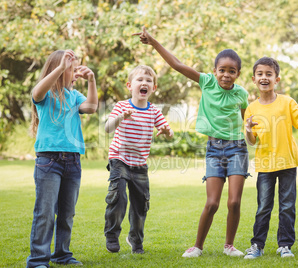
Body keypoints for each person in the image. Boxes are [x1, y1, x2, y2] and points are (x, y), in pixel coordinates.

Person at [134, 26, 250, 257]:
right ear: (214, 71)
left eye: (232, 71)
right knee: (212, 203)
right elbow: (177, 65)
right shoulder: (206, 82)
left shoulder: (242, 94)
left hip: (238, 148)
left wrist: (252, 130)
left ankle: (229, 246)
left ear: (238, 73)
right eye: (222, 70)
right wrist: (154, 42)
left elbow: (247, 122)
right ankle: (197, 246)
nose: (226, 75)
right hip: (214, 149)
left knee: (234, 202)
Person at [27, 49, 98, 268]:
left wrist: (92, 80)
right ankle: (38, 260)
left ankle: (62, 254)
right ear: (59, 69)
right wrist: (60, 68)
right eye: (72, 69)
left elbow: (92, 107)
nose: (76, 73)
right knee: (45, 212)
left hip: (73, 161)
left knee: (67, 214)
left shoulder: (74, 96)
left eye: (77, 69)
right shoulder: (47, 94)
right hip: (49, 161)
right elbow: (36, 93)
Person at [243, 57, 298, 259]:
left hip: (287, 163)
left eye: (269, 74)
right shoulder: (252, 108)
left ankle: (285, 245)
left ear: (277, 79)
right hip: (265, 165)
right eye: (260, 74)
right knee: (263, 207)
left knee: (287, 206)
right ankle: (257, 245)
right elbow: (251, 140)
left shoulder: (287, 102)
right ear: (254, 79)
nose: (264, 77)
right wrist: (248, 130)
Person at [104, 65, 173, 254]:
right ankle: (112, 234)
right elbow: (107, 128)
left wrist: (167, 131)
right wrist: (121, 117)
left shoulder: (154, 111)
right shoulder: (122, 106)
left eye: (149, 81)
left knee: (141, 205)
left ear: (154, 88)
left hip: (140, 164)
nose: (144, 83)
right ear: (129, 85)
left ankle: (135, 239)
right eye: (140, 80)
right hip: (119, 159)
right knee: (118, 198)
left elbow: (169, 133)